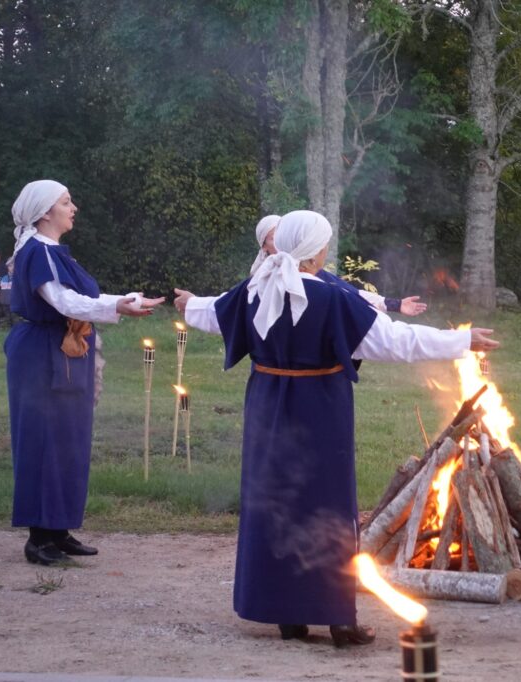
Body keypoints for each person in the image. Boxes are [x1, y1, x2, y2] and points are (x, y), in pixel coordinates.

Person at [175, 210, 498, 648]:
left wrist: (187, 304)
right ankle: (337, 620)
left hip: (268, 408)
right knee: (324, 509)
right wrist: (460, 340)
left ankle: (286, 614)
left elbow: (214, 314)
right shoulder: (329, 298)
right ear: (316, 250)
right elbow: (396, 341)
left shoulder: (256, 288)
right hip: (317, 411)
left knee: (279, 504)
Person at [5, 180, 164, 566]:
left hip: (65, 350)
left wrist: (124, 301)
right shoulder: (36, 252)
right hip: (43, 353)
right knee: (43, 440)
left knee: (68, 441)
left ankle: (58, 529)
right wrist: (118, 308)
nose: (73, 207)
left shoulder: (55, 252)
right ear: (45, 213)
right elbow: (63, 301)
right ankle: (38, 537)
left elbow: (84, 299)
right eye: (66, 202)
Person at [251, 214, 427, 316]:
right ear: (264, 244)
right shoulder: (257, 282)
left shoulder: (316, 276)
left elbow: (352, 295)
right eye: (272, 237)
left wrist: (395, 304)